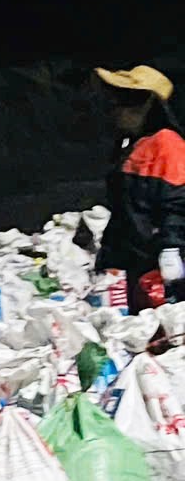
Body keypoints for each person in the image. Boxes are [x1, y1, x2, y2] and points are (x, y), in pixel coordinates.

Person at [93, 65, 185, 309]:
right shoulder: (133, 145)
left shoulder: (168, 146)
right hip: (136, 260)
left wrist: (171, 250)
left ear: (148, 106)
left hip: (159, 267)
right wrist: (108, 254)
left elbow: (176, 203)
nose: (117, 109)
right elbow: (123, 209)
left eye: (126, 101)